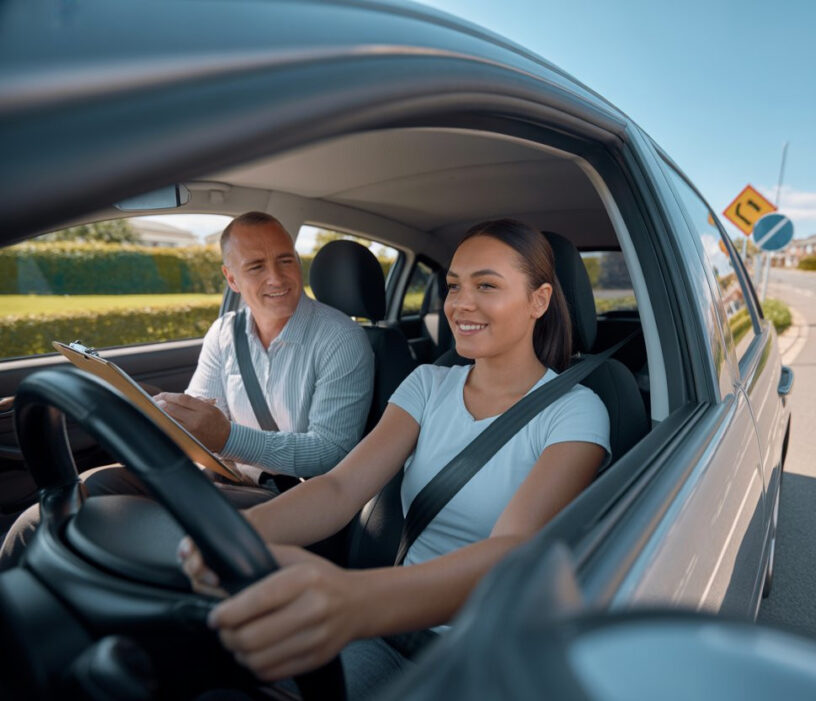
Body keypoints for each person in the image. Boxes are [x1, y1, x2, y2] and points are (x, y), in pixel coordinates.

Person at [179, 219, 611, 700]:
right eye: (453, 286)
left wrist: (354, 600)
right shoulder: (428, 383)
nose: (460, 303)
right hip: (386, 629)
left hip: (479, 648)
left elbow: (509, 552)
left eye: (486, 285)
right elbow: (340, 489)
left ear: (539, 300)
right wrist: (236, 538)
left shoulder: (576, 411)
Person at [0, 212, 374, 567]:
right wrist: (145, 405)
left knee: (105, 521)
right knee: (81, 491)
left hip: (291, 497)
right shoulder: (225, 333)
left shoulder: (341, 339)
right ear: (231, 279)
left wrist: (227, 437)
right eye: (257, 266)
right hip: (218, 476)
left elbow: (331, 453)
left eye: (286, 261)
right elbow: (201, 411)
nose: (277, 277)